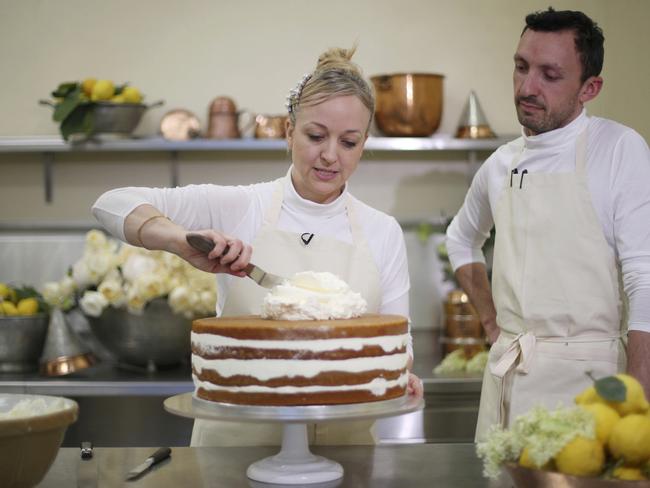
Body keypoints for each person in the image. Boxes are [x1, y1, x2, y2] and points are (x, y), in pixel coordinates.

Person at [92, 46, 423, 446]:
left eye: (349, 142)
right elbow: (110, 204)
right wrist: (180, 241)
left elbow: (397, 343)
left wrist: (402, 374)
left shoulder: (382, 231)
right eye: (315, 136)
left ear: (364, 143)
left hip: (345, 450)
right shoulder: (239, 206)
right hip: (235, 445)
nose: (330, 156)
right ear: (289, 131)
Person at [445, 8, 650, 441]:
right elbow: (461, 238)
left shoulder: (618, 150)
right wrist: (491, 321)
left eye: (550, 75)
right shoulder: (500, 164)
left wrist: (637, 399)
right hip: (507, 377)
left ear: (589, 88)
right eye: (521, 67)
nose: (527, 87)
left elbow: (644, 278)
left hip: (592, 387)